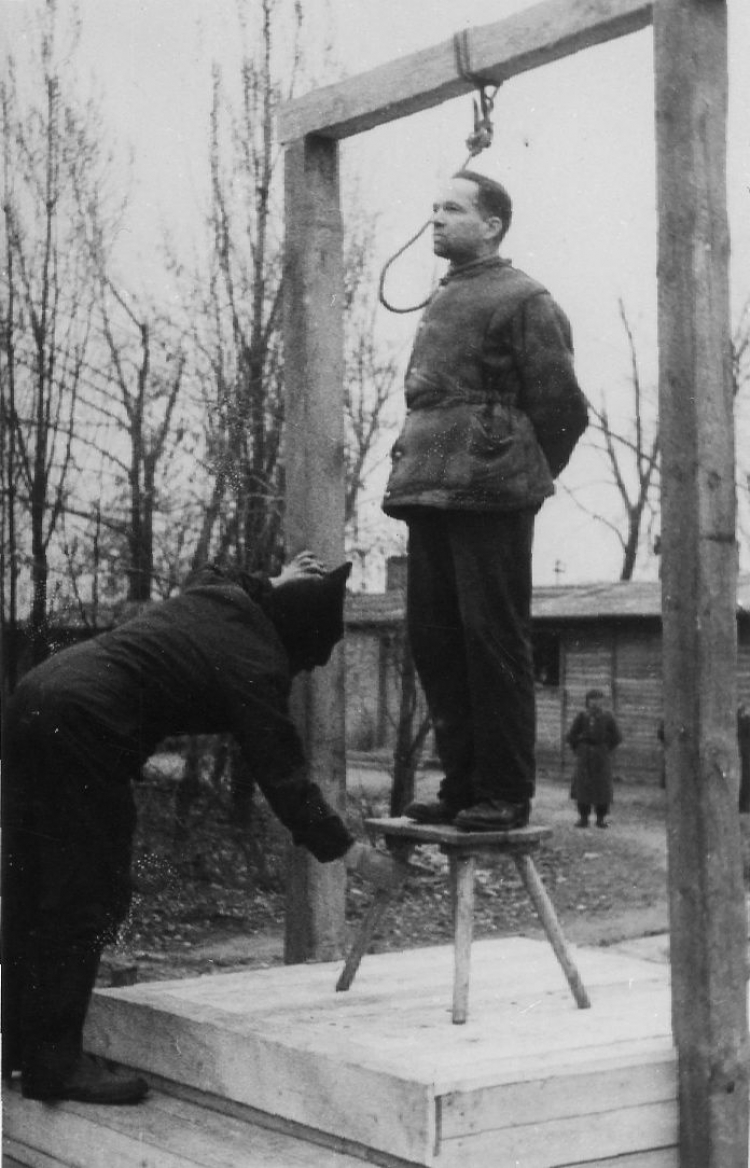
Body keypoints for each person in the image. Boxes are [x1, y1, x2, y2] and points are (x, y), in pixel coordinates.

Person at [1, 553, 403, 1105]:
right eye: (312, 659)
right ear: (295, 636)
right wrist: (351, 853)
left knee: (31, 880)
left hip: (34, 694)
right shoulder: (255, 664)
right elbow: (285, 781)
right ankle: (55, 1066)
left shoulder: (218, 596)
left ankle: (18, 1048)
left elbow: (221, 568)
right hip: (85, 723)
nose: (306, 671)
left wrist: (278, 579)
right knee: (87, 896)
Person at [383, 169, 588, 832]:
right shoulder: (447, 296)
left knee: (491, 640)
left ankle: (504, 792)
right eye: (433, 206)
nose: (435, 219)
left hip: (491, 492)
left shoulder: (525, 298)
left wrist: (515, 469)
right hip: (427, 488)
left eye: (451, 208)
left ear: (492, 224)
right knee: (436, 642)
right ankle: (463, 786)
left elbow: (561, 409)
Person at [566, 689, 622, 828]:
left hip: (601, 755)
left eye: (598, 700)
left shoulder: (607, 717)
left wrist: (605, 748)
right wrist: (579, 749)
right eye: (592, 700)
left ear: (602, 701)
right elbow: (571, 736)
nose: (595, 703)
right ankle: (583, 818)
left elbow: (617, 737)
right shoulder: (582, 716)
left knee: (602, 787)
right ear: (587, 701)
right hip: (584, 755)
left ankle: (601, 818)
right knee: (583, 787)